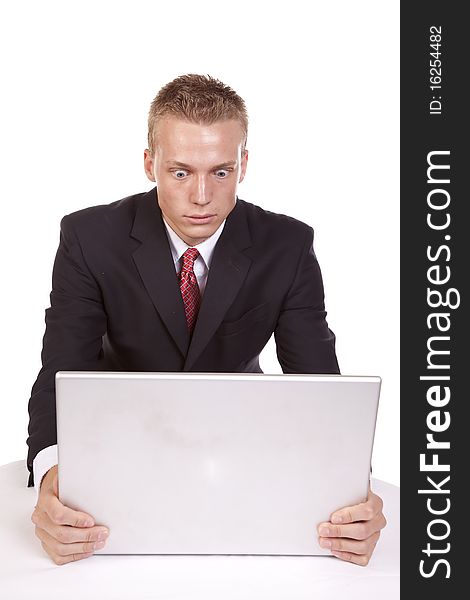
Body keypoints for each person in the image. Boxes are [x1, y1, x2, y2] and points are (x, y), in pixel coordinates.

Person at [27, 74, 386, 566]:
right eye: (179, 172)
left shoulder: (288, 245)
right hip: (119, 443)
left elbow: (321, 385)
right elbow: (60, 369)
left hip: (240, 451)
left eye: (221, 172)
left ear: (244, 164)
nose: (201, 196)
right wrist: (51, 478)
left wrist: (353, 494)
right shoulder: (90, 237)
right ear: (150, 163)